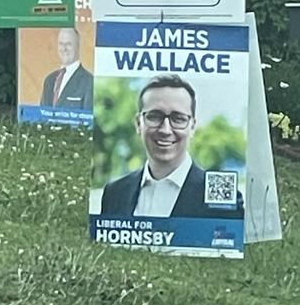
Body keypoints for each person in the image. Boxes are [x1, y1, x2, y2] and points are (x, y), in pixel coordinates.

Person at [100, 74, 244, 219]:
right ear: (138, 123)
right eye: (154, 116)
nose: (165, 130)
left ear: (192, 126)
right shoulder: (114, 193)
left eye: (178, 119)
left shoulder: (221, 195)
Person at [40, 28, 93, 110]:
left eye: (68, 44)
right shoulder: (49, 80)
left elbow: (88, 119)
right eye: (61, 44)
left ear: (78, 46)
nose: (64, 49)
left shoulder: (89, 81)